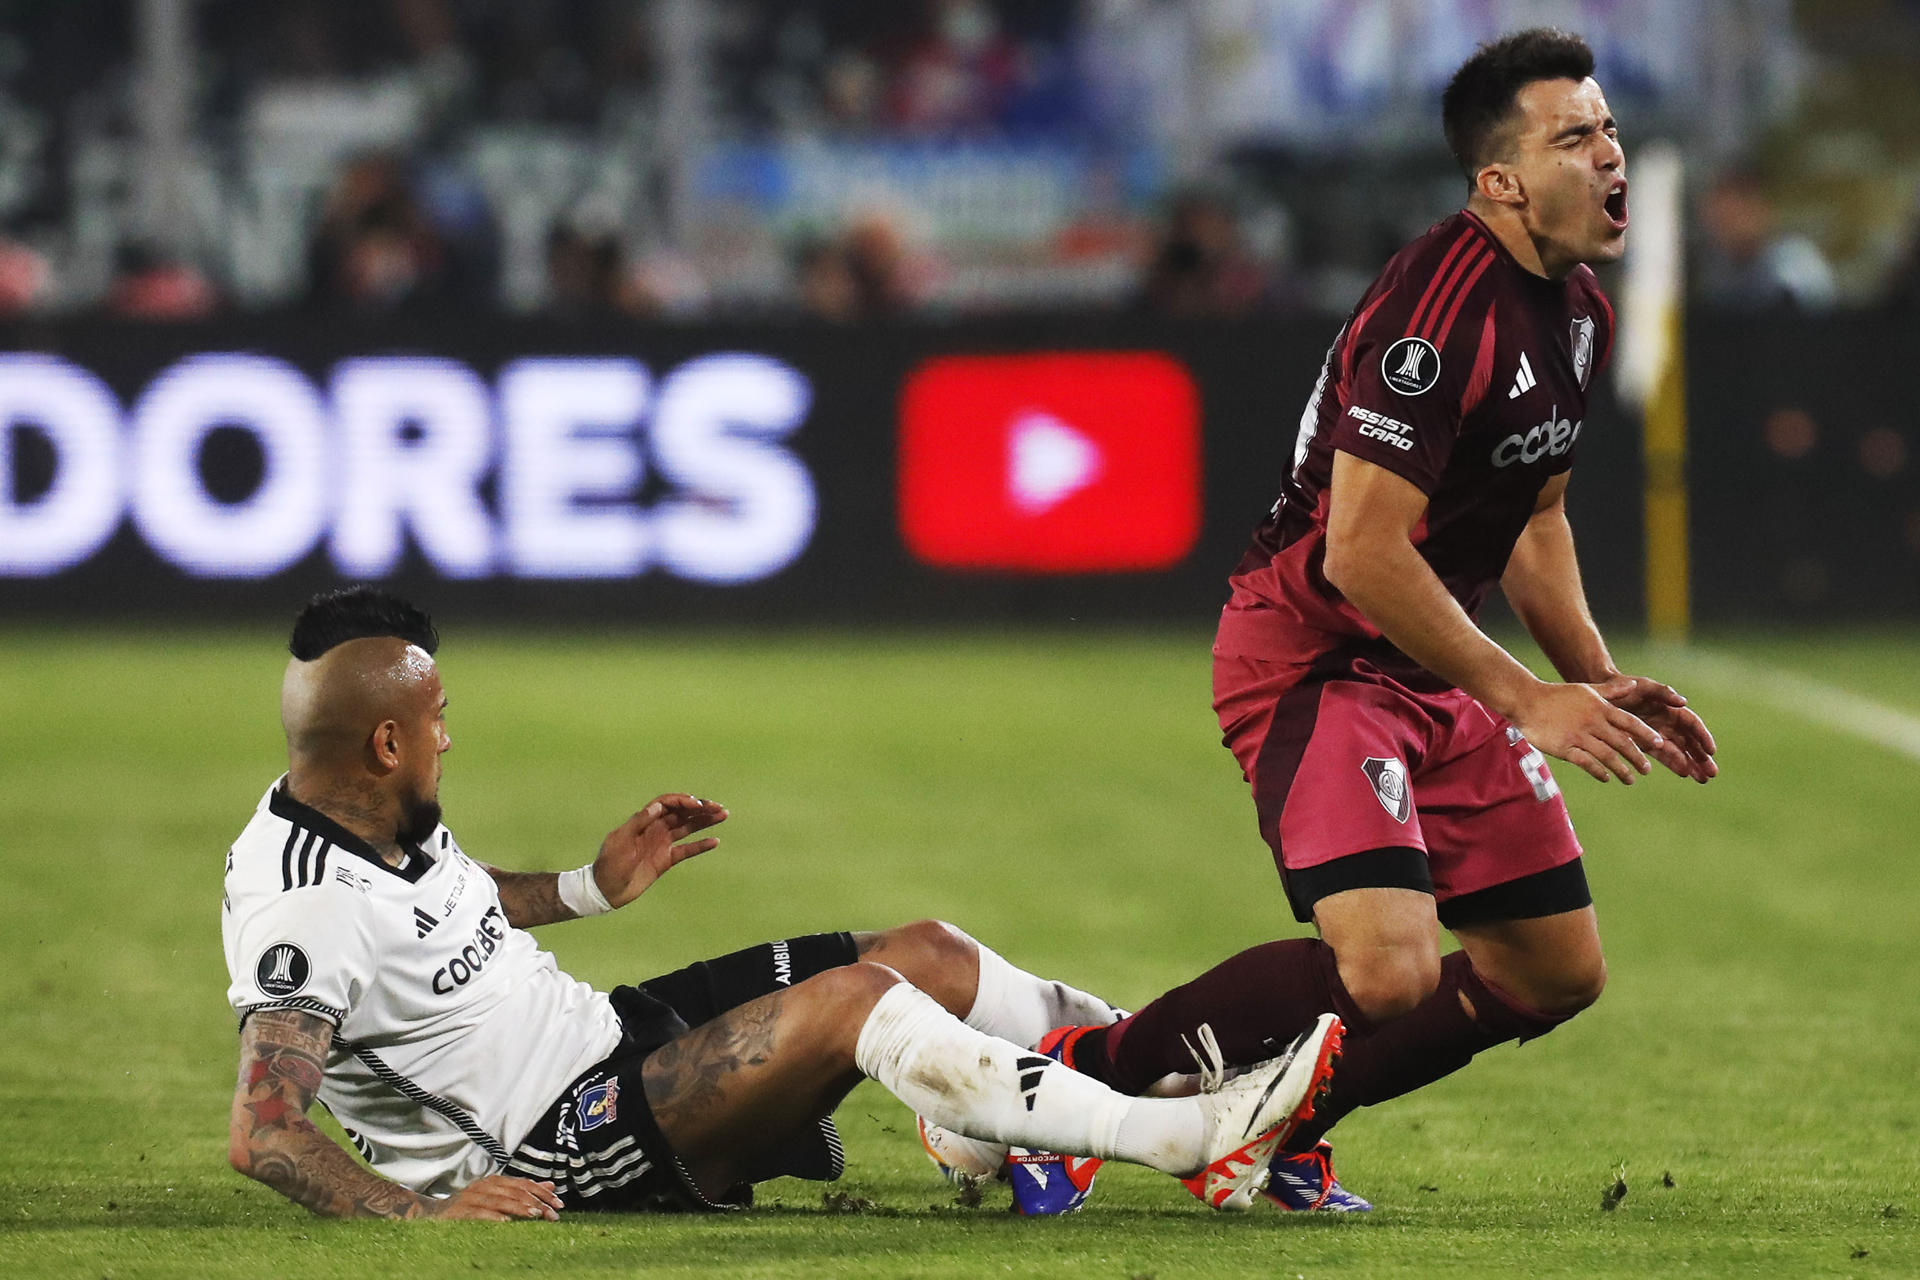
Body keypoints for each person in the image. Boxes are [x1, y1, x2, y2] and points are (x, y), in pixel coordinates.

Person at [1022, 29, 1718, 1214]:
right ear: (1499, 181)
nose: (1609, 152)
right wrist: (1523, 695)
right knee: (1388, 969)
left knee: (1553, 969)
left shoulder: (1580, 309)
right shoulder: (1436, 310)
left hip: (1432, 662)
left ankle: (1279, 1134)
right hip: (1317, 655)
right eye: (1575, 136)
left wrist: (1592, 676)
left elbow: (1535, 515)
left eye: (1607, 128)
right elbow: (1360, 550)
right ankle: (1078, 1083)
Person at [223, 588, 1343, 1220]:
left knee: (926, 952)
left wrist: (586, 886)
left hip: (613, 1038)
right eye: (436, 721)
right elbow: (263, 1130)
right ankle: (1187, 1134)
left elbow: (446, 916)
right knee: (864, 998)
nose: (448, 735)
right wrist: (427, 1213)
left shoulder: (370, 809)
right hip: (557, 1139)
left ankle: (1134, 1064)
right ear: (384, 740)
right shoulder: (302, 906)